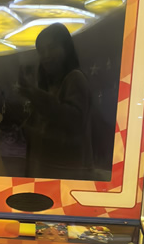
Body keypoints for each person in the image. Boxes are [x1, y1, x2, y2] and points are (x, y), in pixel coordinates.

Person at [16, 22, 95, 180]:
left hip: (67, 175)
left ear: (66, 48)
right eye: (41, 51)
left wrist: (35, 95)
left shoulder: (75, 78)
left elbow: (73, 120)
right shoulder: (50, 84)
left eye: (51, 48)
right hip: (46, 172)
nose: (46, 55)